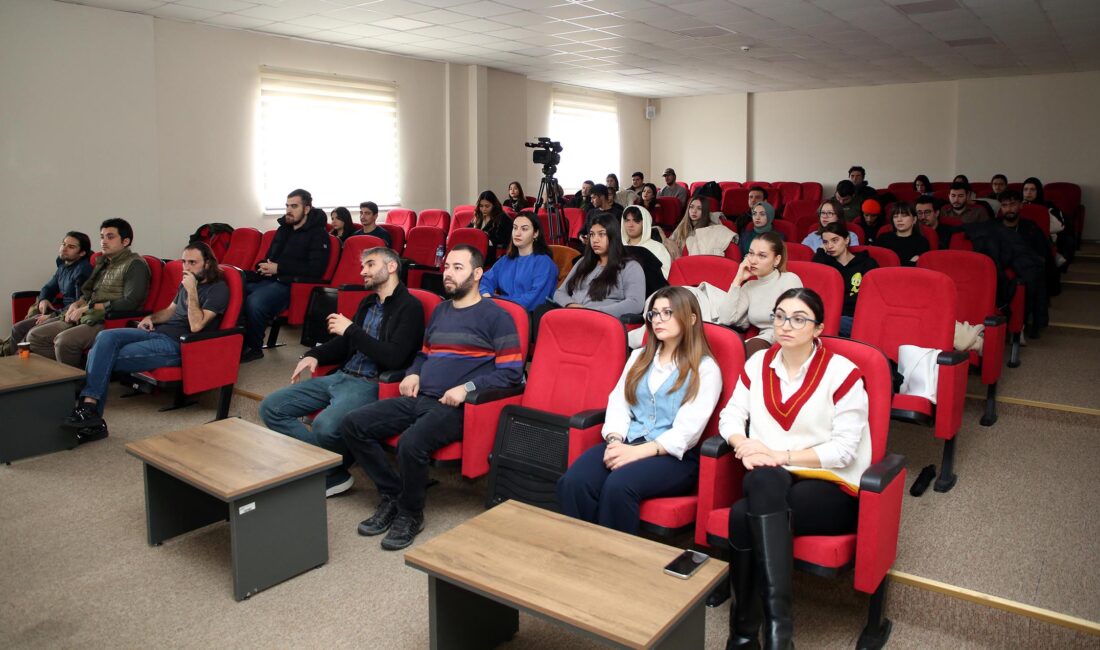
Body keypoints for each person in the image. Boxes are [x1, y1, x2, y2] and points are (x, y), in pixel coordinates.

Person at [340, 244, 523, 550]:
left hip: (456, 407)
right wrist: (413, 372)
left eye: (458, 268)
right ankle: (394, 494)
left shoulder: (497, 317)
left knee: (412, 443)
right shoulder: (440, 311)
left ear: (478, 274)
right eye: (447, 266)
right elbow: (425, 354)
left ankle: (411, 514)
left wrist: (466, 390)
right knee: (353, 424)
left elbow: (511, 372)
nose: (448, 274)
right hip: (420, 396)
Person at [718, 287, 871, 650]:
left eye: (799, 319)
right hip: (772, 479)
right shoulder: (757, 364)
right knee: (759, 488)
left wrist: (779, 454)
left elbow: (844, 451)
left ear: (818, 328)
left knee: (744, 514)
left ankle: (745, 634)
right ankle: (776, 634)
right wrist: (743, 445)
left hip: (831, 486)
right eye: (780, 316)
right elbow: (731, 416)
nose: (786, 325)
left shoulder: (843, 372)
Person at [259, 247, 424, 497]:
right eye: (362, 266)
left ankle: (324, 468)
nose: (362, 271)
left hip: (370, 383)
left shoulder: (410, 307)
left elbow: (394, 357)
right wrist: (314, 355)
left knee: (325, 426)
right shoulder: (369, 301)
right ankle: (331, 469)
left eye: (370, 265)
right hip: (341, 374)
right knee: (271, 407)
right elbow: (346, 344)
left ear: (391, 267)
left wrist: (350, 330)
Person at [557, 286, 721, 533]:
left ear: (690, 318)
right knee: (573, 481)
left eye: (668, 313)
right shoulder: (640, 356)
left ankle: (614, 561)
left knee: (619, 485)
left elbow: (687, 432)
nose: (658, 320)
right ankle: (581, 551)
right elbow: (619, 402)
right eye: (654, 314)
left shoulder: (705, 369)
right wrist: (614, 440)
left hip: (673, 457)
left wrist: (638, 453)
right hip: (628, 441)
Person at [61, 243, 228, 442]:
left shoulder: (218, 289)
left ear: (207, 263)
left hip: (178, 345)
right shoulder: (188, 283)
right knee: (105, 337)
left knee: (105, 356)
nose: (187, 267)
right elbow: (171, 310)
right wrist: (151, 318)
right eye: (184, 261)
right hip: (157, 332)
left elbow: (196, 326)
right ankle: (90, 411)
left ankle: (89, 411)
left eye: (193, 262)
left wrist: (192, 291)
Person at [26, 218, 151, 368]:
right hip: (89, 315)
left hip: (109, 320)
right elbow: (90, 293)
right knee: (35, 336)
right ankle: (62, 377)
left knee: (64, 341)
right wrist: (78, 303)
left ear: (125, 241)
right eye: (102, 237)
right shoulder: (104, 262)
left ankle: (74, 385)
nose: (104, 241)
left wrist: (88, 307)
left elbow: (130, 302)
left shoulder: (135, 264)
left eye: (110, 237)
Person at [240, 189, 330, 361]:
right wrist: (263, 266)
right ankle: (236, 343)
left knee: (255, 301)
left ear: (307, 209)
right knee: (237, 290)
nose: (289, 210)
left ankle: (254, 347)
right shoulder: (283, 230)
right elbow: (270, 257)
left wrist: (279, 268)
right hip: (271, 279)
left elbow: (315, 270)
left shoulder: (318, 234)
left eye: (294, 206)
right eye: (287, 206)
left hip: (292, 285)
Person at [5, 232, 93, 356]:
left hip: (69, 316)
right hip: (59, 311)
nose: (64, 248)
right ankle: (13, 361)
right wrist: (44, 299)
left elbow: (80, 303)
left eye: (71, 247)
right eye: (63, 244)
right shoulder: (63, 266)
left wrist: (52, 315)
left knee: (31, 332)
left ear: (82, 253)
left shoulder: (83, 270)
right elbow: (48, 287)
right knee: (17, 328)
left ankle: (19, 364)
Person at [716, 233, 802, 358]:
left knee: (751, 349)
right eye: (751, 253)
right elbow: (725, 318)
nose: (754, 260)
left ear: (776, 260)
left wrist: (766, 342)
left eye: (762, 256)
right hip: (761, 343)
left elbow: (794, 322)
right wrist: (738, 280)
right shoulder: (749, 286)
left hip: (786, 342)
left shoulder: (789, 280)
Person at [555, 211, 645, 317]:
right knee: (542, 310)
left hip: (601, 320)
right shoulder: (583, 262)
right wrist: (571, 305)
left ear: (613, 237)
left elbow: (635, 303)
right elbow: (559, 293)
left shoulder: (630, 267)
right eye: (592, 234)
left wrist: (593, 312)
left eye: (601, 234)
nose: (595, 240)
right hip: (571, 314)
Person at [479, 214, 559, 311]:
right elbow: (485, 281)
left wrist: (496, 301)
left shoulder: (545, 263)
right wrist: (487, 296)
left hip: (528, 316)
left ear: (535, 233)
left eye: (524, 229)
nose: (517, 233)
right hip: (500, 312)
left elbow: (534, 301)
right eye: (515, 228)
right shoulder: (505, 260)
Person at [811, 222, 877, 337]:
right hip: (828, 316)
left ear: (846, 240)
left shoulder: (867, 263)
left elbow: (872, 299)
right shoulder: (826, 263)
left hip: (854, 318)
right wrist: (821, 251)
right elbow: (816, 273)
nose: (829, 246)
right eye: (825, 242)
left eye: (835, 240)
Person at [670, 196, 735, 258]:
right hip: (679, 262)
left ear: (705, 211)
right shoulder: (683, 225)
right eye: (691, 207)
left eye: (699, 208)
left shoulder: (710, 228)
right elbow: (671, 242)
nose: (694, 211)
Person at [622, 206, 672, 279]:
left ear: (645, 224)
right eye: (627, 220)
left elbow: (664, 276)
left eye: (636, 221)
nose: (630, 225)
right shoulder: (617, 245)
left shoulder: (657, 248)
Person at [472, 190, 515, 262]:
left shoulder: (503, 218)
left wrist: (485, 239)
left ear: (494, 205)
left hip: (494, 253)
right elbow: (468, 230)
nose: (483, 209)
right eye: (481, 206)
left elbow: (504, 240)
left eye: (487, 206)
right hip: (477, 250)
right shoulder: (478, 216)